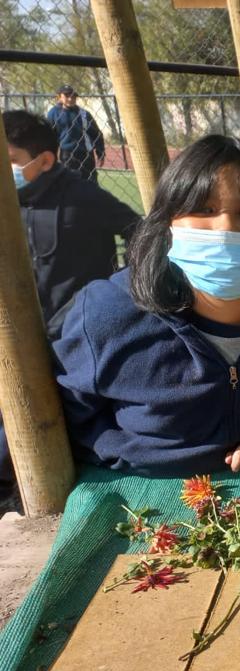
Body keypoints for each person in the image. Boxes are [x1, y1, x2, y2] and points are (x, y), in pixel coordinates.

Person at [52, 134, 240, 477]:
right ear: (168, 223)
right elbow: (61, 417)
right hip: (132, 490)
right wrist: (128, 455)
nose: (225, 229)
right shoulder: (107, 314)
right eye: (204, 209)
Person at [1, 110, 139, 509]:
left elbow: (139, 231)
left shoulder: (83, 198)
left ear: (44, 161)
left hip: (70, 342)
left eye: (9, 159)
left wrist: (115, 293)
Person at [46, 85, 105, 183]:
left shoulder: (84, 113)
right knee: (70, 183)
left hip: (86, 154)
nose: (70, 99)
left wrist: (100, 153)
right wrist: (52, 157)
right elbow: (50, 137)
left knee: (91, 183)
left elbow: (96, 134)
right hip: (67, 154)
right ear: (59, 97)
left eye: (73, 96)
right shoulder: (53, 114)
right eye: (67, 95)